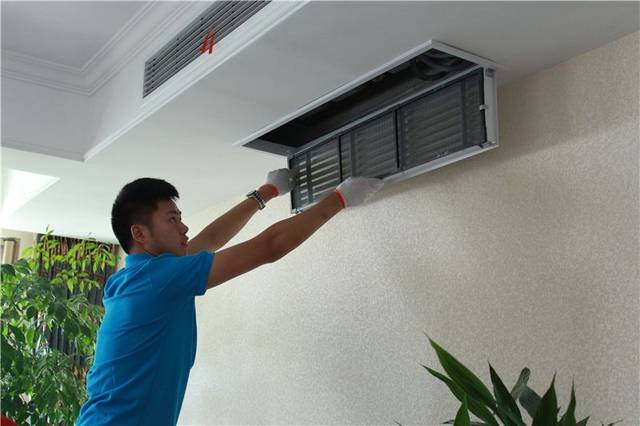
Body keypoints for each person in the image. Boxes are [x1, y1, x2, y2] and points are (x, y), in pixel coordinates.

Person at [76, 169, 383, 425]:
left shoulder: (130, 280)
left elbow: (209, 240)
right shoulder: (159, 279)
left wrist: (266, 192)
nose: (184, 227)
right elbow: (269, 247)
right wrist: (339, 199)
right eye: (172, 220)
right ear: (140, 234)